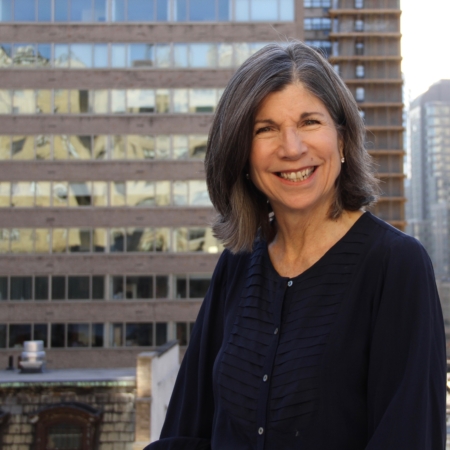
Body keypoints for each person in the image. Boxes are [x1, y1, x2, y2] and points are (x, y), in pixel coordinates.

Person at [146, 42, 446, 450]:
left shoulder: (396, 267)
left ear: (341, 139)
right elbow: (188, 428)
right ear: (243, 154)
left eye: (308, 122)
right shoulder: (236, 265)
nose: (291, 147)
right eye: (265, 129)